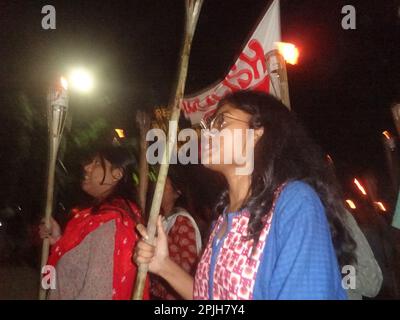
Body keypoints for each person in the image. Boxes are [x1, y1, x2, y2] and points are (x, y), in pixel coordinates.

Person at [134, 90, 357, 300]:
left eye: (221, 121)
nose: (207, 132)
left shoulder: (294, 204)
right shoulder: (223, 217)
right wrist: (163, 265)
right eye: (208, 124)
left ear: (256, 134)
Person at [39, 144, 149, 300]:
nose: (87, 167)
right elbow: (82, 266)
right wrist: (59, 240)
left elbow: (97, 292)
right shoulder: (101, 219)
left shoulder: (110, 224)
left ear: (117, 174)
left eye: (97, 163)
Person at [150, 167, 202, 299]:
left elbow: (188, 268)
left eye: (164, 184)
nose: (158, 188)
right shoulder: (163, 219)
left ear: (177, 192)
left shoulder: (182, 221)